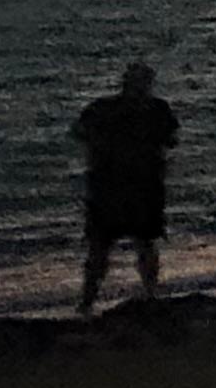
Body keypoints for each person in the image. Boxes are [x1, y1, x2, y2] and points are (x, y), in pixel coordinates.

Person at [75, 59, 180, 314]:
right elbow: (171, 141)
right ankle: (141, 295)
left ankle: (92, 301)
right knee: (118, 245)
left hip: (124, 187)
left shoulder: (105, 109)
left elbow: (80, 132)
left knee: (117, 245)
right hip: (123, 187)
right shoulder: (154, 110)